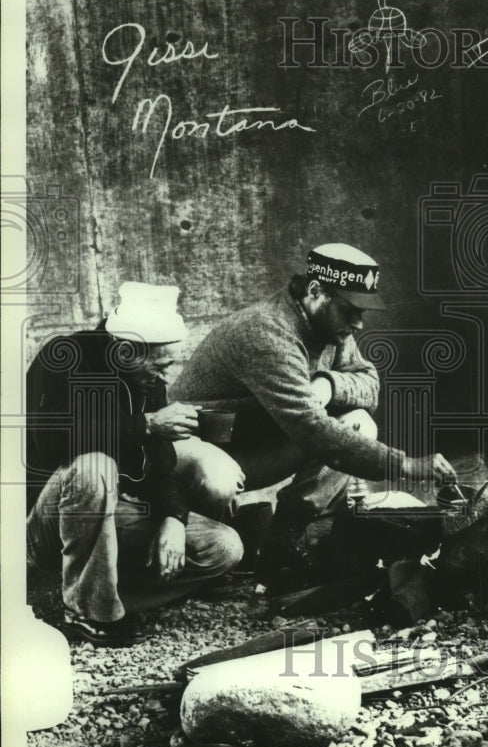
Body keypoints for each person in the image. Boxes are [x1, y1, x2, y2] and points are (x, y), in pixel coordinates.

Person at [169, 243, 457, 588]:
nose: (359, 323)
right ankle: (213, 542)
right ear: (316, 291)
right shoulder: (266, 332)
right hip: (190, 451)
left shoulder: (329, 326)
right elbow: (311, 429)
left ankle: (282, 539)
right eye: (351, 310)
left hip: (252, 445)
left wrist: (328, 384)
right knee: (220, 477)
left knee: (358, 422)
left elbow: (369, 383)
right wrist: (406, 466)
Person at [26, 282, 245, 646]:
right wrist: (145, 424)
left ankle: (88, 591)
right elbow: (49, 442)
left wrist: (174, 518)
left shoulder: (144, 383)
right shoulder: (63, 356)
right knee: (94, 467)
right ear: (126, 351)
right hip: (45, 519)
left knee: (223, 547)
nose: (165, 377)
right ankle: (88, 613)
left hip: (109, 513)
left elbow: (158, 465)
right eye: (160, 365)